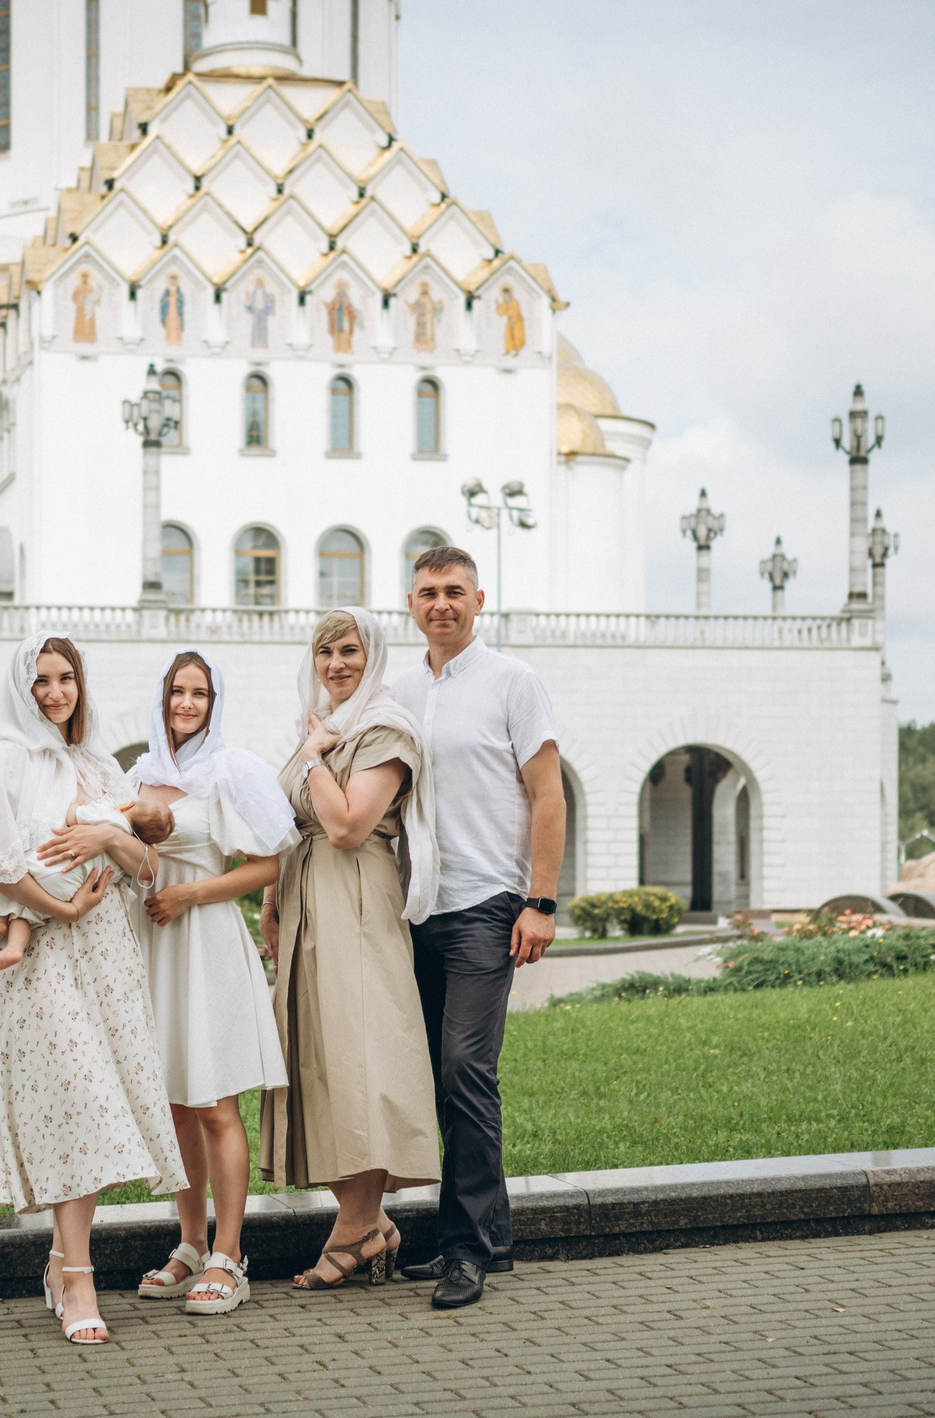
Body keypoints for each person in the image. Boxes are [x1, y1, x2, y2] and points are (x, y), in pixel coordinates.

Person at [0, 632, 186, 1345]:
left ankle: (63, 1260)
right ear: (20, 686)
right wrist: (56, 907)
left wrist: (104, 840)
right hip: (45, 950)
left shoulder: (95, 761)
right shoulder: (0, 759)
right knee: (79, 1098)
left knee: (96, 1104)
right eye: (41, 680)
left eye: (66, 678)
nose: (55, 692)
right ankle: (81, 1280)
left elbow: (148, 861)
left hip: (107, 948)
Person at [389, 547, 564, 1311]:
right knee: (438, 1077)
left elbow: (547, 793)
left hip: (487, 902)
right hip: (415, 907)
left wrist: (543, 901)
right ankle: (490, 1234)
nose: (442, 604)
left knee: (466, 1067)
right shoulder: (395, 689)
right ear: (411, 602)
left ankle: (463, 1249)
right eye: (428, 592)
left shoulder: (513, 682)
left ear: (479, 599)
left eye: (454, 591)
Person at [259, 608, 441, 1292]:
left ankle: (358, 1227)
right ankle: (369, 1223)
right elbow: (291, 825)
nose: (336, 662)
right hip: (306, 902)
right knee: (319, 1060)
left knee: (361, 1057)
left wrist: (312, 756)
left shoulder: (384, 729)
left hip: (357, 901)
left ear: (375, 654)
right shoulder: (328, 725)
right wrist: (274, 903)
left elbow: (345, 824)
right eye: (325, 650)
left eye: (350, 649)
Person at [131, 651, 294, 1317]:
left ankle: (232, 1254)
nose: (187, 703)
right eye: (178, 690)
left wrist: (191, 891)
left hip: (206, 940)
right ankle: (191, 1242)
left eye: (200, 693)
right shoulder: (140, 774)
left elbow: (268, 864)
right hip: (154, 943)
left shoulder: (232, 768)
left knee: (215, 1102)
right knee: (174, 1101)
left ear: (214, 701)